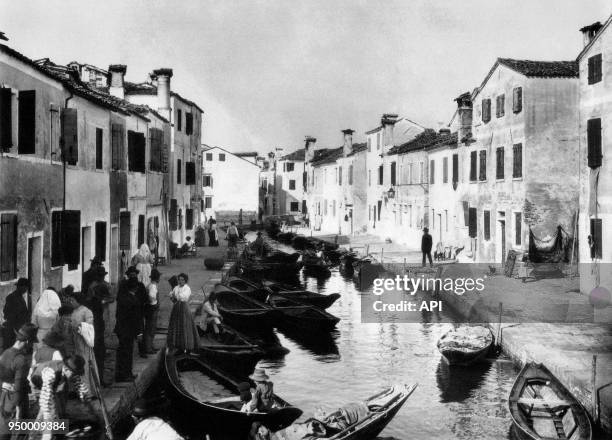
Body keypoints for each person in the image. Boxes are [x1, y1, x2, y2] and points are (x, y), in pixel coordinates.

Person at [30, 355, 93, 428]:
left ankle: (57, 421)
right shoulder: (51, 373)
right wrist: (50, 419)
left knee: (57, 400)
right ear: (66, 369)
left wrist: (84, 396)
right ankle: (41, 431)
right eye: (74, 373)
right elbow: (46, 400)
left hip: (53, 381)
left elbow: (78, 382)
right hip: (37, 380)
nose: (75, 376)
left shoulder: (70, 370)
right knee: (49, 408)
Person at [0, 323, 37, 435]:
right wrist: (18, 409)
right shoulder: (21, 360)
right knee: (20, 432)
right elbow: (18, 386)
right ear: (27, 342)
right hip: (17, 401)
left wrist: (3, 385)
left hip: (3, 398)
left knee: (4, 431)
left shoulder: (5, 353)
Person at [114, 275, 143, 382]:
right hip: (129, 330)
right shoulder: (134, 300)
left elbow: (118, 315)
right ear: (135, 288)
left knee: (121, 352)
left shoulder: (121, 298)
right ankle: (126, 374)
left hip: (120, 329)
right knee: (128, 353)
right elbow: (136, 319)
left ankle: (120, 374)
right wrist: (139, 333)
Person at [167, 273, 199, 353]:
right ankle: (177, 345)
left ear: (185, 281)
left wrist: (175, 296)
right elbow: (172, 297)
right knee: (175, 325)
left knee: (185, 326)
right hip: (176, 308)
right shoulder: (176, 287)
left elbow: (183, 297)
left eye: (182, 280)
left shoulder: (187, 288)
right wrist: (173, 296)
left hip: (184, 309)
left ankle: (187, 346)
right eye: (179, 280)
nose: (180, 281)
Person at [70, 292, 94, 393]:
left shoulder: (86, 311)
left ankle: (86, 391)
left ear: (78, 301)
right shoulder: (72, 311)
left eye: (73, 300)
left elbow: (89, 326)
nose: (71, 302)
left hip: (82, 341)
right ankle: (75, 390)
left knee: (84, 364)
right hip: (74, 341)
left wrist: (79, 326)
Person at [2, 278, 32, 350]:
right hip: (13, 327)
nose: (26, 290)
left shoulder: (20, 297)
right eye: (25, 287)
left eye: (27, 288)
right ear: (20, 287)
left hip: (19, 326)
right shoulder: (11, 297)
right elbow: (6, 312)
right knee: (11, 348)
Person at [143, 269, 161, 355]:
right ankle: (148, 348)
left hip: (149, 308)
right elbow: (151, 298)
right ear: (157, 278)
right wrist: (155, 303)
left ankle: (150, 346)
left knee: (150, 327)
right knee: (150, 328)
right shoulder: (153, 286)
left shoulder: (150, 285)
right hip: (152, 308)